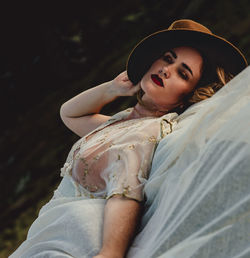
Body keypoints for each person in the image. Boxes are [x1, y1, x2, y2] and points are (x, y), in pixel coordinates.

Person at [10, 19, 247, 258]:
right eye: (168, 58)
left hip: (74, 242)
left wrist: (110, 253)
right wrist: (112, 89)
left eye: (182, 74)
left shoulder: (144, 134)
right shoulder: (126, 122)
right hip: (59, 232)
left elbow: (126, 193)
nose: (167, 69)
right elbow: (70, 114)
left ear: (187, 97)